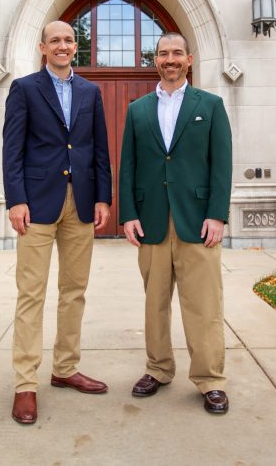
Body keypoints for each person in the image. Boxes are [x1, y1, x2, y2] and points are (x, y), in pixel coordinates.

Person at [2, 20, 112, 425]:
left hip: (80, 204)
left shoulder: (90, 91)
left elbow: (99, 147)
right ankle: (25, 384)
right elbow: (12, 149)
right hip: (37, 205)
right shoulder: (25, 89)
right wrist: (16, 200)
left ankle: (65, 369)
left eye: (68, 40)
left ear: (75, 46)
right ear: (42, 47)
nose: (63, 46)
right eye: (55, 41)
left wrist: (103, 196)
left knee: (74, 291)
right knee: (31, 294)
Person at [118, 31, 233, 415]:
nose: (170, 59)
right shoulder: (138, 110)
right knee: (155, 303)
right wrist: (128, 214)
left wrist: (217, 214)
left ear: (189, 59)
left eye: (177, 53)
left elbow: (222, 164)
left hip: (198, 221)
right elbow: (128, 166)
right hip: (151, 221)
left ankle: (210, 379)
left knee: (203, 304)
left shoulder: (211, 105)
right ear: (156, 60)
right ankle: (158, 368)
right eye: (163, 53)